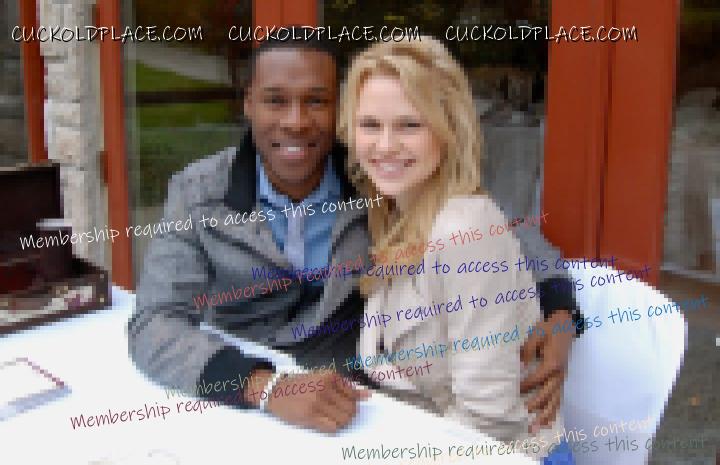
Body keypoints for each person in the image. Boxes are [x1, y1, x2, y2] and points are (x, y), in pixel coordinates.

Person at [128, 33, 580, 438]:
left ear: (339, 108)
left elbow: (505, 236)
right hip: (245, 397)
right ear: (248, 104)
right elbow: (154, 323)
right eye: (275, 100)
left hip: (359, 406)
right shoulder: (199, 192)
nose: (296, 121)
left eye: (317, 101)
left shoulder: (378, 173)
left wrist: (560, 313)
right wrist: (264, 387)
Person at [337, 36, 576, 462]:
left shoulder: (466, 228)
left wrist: (562, 313)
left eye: (409, 125)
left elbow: (489, 420)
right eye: (370, 124)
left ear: (448, 129)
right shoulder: (393, 209)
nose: (385, 145)